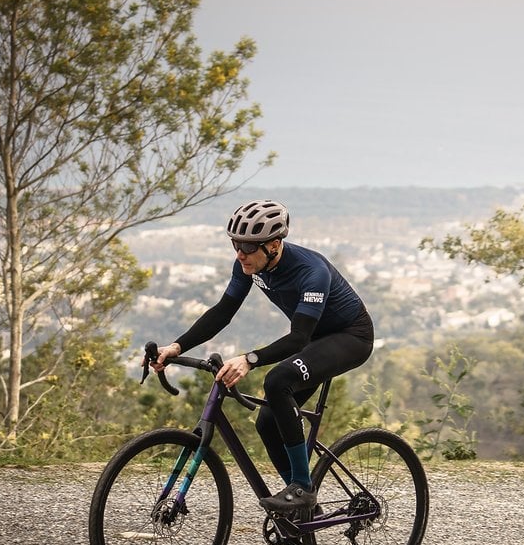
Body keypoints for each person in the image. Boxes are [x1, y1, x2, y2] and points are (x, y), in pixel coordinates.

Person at [150, 199, 374, 513]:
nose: (239, 253)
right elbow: (223, 312)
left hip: (351, 337)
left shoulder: (312, 272)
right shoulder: (248, 264)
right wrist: (176, 347)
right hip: (315, 340)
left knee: (278, 379)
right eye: (235, 245)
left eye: (247, 246)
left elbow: (298, 338)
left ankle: (302, 489)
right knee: (268, 422)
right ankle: (302, 511)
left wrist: (249, 359)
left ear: (274, 245)